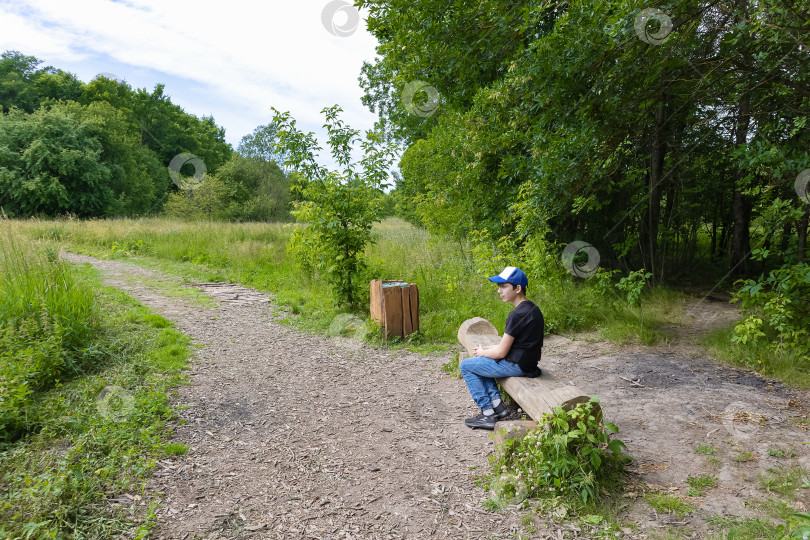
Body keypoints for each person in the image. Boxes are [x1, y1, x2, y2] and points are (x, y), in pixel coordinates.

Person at [460, 266, 544, 430]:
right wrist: (486, 351)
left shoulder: (516, 315)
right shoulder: (532, 309)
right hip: (527, 363)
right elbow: (515, 343)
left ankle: (487, 413)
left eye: (504, 286)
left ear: (517, 288)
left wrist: (484, 352)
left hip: (517, 365)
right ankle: (498, 406)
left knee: (466, 366)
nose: (499, 291)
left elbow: (501, 352)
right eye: (499, 286)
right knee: (481, 360)